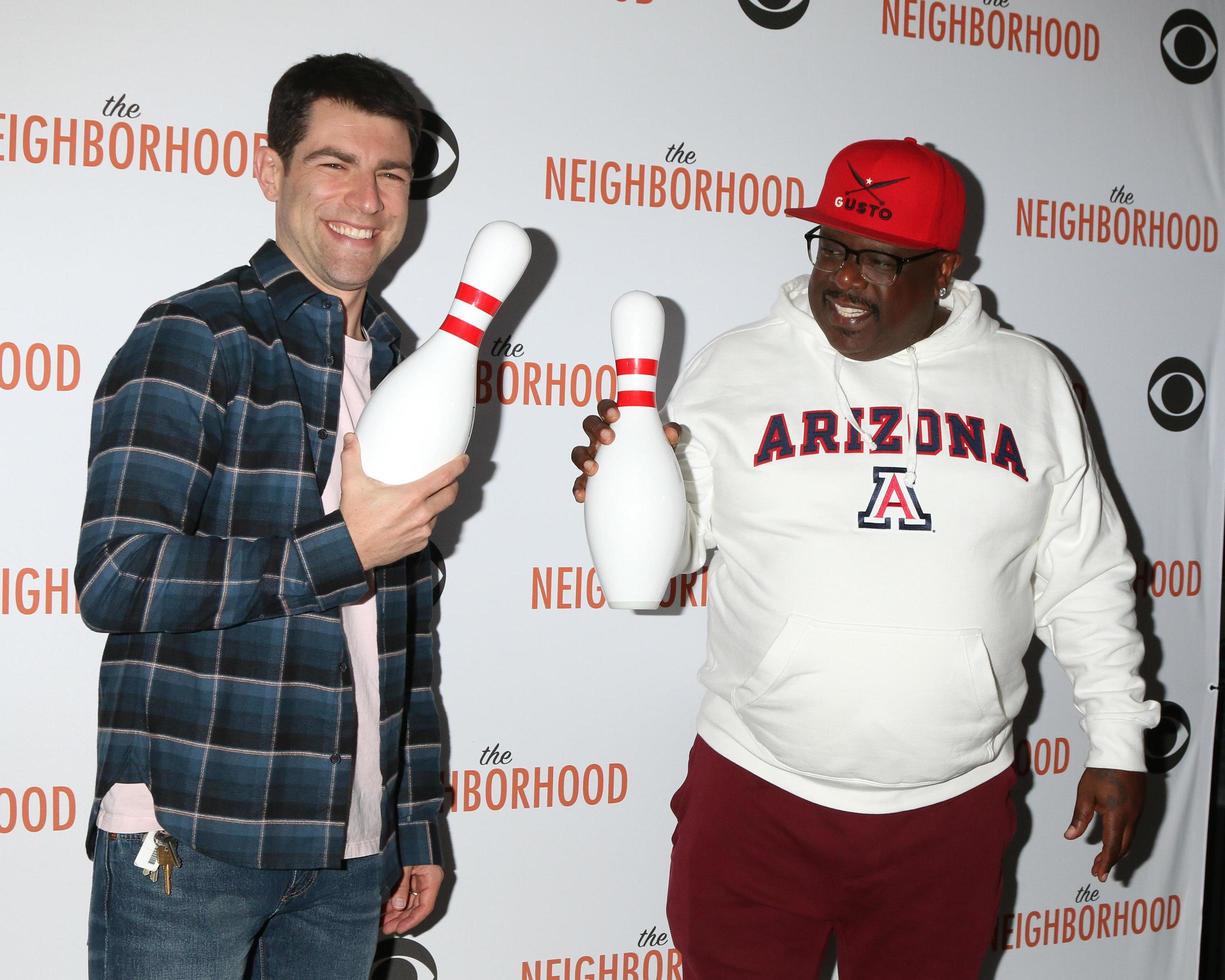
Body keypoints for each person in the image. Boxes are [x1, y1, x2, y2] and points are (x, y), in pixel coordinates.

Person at [571, 137, 1159, 979]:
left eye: (880, 261)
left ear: (945, 269)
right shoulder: (736, 368)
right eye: (834, 248)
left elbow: (1087, 574)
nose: (846, 280)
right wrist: (623, 485)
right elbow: (667, 553)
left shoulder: (1028, 380)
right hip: (755, 794)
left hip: (947, 810)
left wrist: (1117, 742)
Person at [76, 53, 465, 979]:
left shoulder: (414, 365)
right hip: (189, 838)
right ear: (270, 171)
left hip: (349, 848)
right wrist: (338, 548)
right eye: (334, 163)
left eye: (392, 173)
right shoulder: (197, 334)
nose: (365, 199)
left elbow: (409, 623)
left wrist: (413, 816)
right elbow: (116, 577)